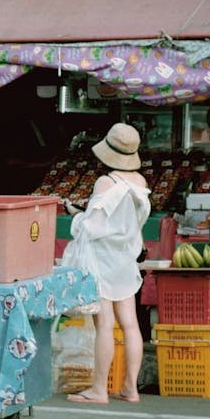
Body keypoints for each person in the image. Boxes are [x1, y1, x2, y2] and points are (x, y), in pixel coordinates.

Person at [61, 123, 151, 404]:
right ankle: (130, 388)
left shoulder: (105, 183)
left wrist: (76, 215)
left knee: (105, 325)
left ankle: (99, 389)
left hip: (102, 261)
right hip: (125, 259)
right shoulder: (141, 183)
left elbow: (90, 228)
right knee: (131, 325)